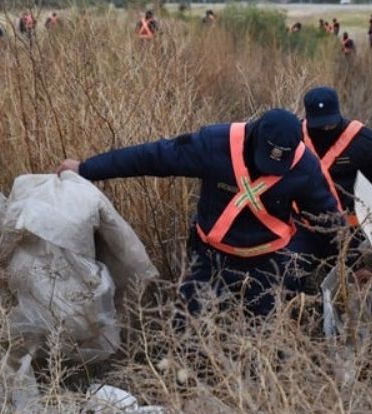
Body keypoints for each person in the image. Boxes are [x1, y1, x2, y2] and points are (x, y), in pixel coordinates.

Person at [56, 109, 341, 317]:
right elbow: (151, 157)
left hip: (269, 264)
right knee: (187, 330)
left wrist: (348, 263)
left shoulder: (304, 166)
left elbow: (327, 218)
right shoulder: (214, 144)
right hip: (211, 257)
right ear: (254, 136)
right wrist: (86, 169)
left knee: (264, 339)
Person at [289, 87, 372, 290]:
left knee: (353, 286)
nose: (325, 130)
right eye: (318, 126)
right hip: (301, 227)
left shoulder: (365, 141)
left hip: (349, 231)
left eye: (330, 124)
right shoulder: (295, 137)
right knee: (290, 276)